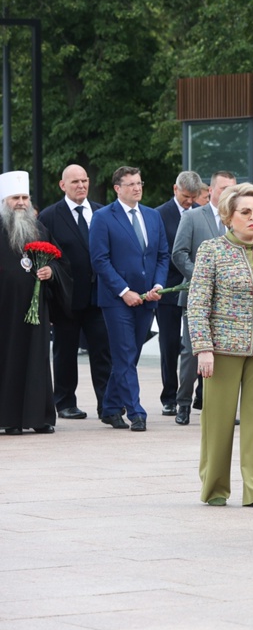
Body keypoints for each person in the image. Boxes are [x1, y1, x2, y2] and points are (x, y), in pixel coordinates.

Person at [187, 184, 253, 508]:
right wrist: (203, 347)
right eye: (245, 212)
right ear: (229, 216)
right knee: (217, 421)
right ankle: (215, 488)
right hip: (221, 350)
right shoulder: (212, 250)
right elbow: (198, 302)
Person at [89, 166, 170, 432]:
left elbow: (161, 255)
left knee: (130, 355)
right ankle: (136, 411)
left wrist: (158, 284)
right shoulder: (103, 217)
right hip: (116, 299)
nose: (137, 188)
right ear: (117, 188)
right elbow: (100, 260)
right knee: (124, 354)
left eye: (139, 182)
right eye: (131, 184)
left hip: (148, 297)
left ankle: (111, 406)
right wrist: (124, 291)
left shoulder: (152, 216)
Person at [38, 164, 112, 421]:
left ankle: (107, 404)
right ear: (62, 185)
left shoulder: (103, 212)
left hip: (99, 296)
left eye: (84, 181)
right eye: (74, 182)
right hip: (65, 297)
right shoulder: (50, 216)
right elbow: (42, 257)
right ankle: (65, 402)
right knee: (65, 351)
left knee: (103, 352)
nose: (81, 186)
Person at [0, 171, 66, 435]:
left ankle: (39, 417)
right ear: (4, 200)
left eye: (25, 197)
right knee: (9, 359)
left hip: (35, 309)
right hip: (5, 310)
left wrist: (51, 272)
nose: (21, 203)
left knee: (37, 361)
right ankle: (9, 418)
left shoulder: (39, 229)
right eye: (15, 197)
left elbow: (61, 263)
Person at [171, 171, 237, 425]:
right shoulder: (192, 216)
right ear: (211, 190)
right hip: (196, 296)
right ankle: (184, 404)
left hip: (229, 301)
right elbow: (179, 253)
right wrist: (201, 277)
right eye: (223, 189)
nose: (227, 194)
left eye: (232, 190)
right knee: (191, 352)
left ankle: (218, 406)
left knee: (225, 356)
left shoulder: (237, 220)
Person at [155, 171, 202, 417]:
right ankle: (169, 396)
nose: (189, 201)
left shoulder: (201, 213)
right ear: (175, 189)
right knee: (170, 343)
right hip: (170, 288)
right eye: (185, 196)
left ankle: (200, 395)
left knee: (197, 345)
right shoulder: (159, 215)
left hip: (200, 288)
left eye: (194, 197)